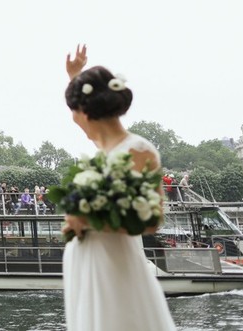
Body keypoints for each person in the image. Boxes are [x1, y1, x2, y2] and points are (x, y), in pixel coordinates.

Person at [62, 45, 175, 331]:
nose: (74, 120)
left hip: (113, 264)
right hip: (88, 266)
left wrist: (86, 219)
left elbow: (152, 219)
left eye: (74, 113)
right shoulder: (102, 151)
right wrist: (77, 77)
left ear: (85, 113)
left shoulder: (137, 150)